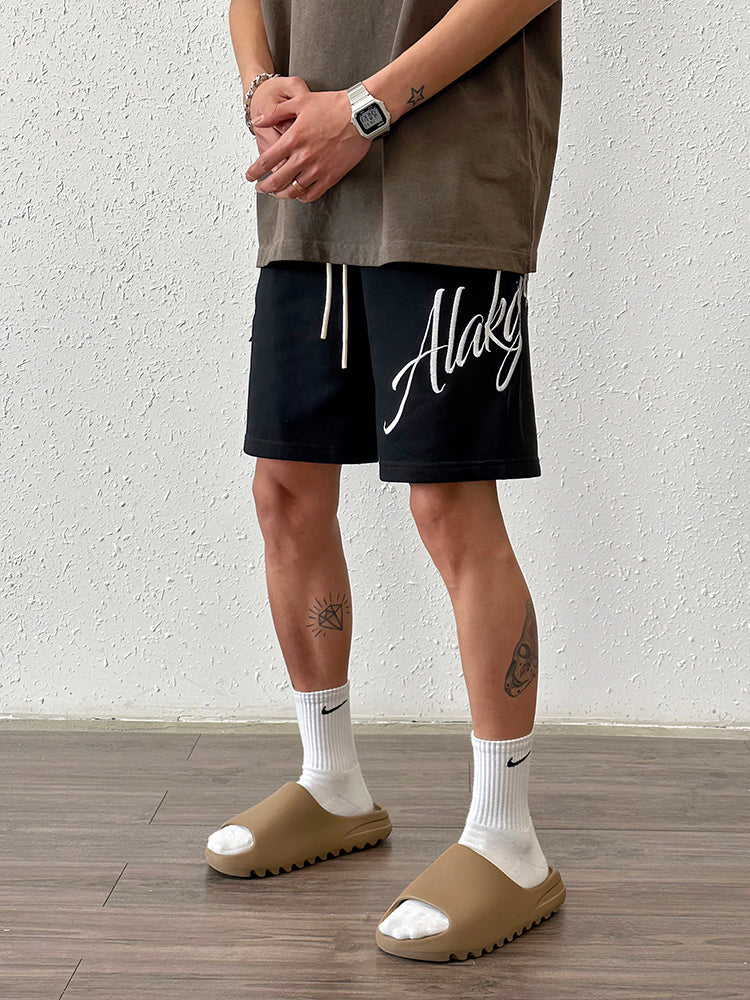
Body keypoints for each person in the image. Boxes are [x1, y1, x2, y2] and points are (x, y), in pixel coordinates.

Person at [205, 0, 566, 963]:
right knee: (284, 490)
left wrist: (364, 109)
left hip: (448, 187)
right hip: (308, 189)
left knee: (448, 504)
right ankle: (332, 784)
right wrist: (259, 86)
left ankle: (509, 839)